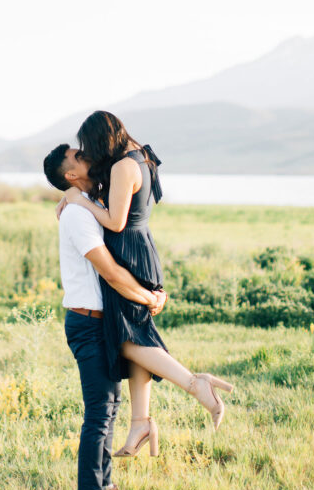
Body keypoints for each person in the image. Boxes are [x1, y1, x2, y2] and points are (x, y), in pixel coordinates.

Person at [52, 112, 234, 457]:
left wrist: (79, 201)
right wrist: (77, 195)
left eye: (88, 147)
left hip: (128, 254)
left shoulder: (123, 166)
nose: (88, 154)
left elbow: (115, 222)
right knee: (133, 335)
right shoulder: (140, 156)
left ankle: (196, 384)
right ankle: (140, 422)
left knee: (123, 339)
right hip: (139, 250)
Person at [44, 145, 166, 490]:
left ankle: (105, 482)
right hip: (87, 322)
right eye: (79, 155)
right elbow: (111, 273)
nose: (87, 155)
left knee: (109, 407)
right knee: (99, 411)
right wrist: (148, 297)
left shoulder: (85, 202)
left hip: (102, 320)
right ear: (70, 174)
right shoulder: (77, 217)